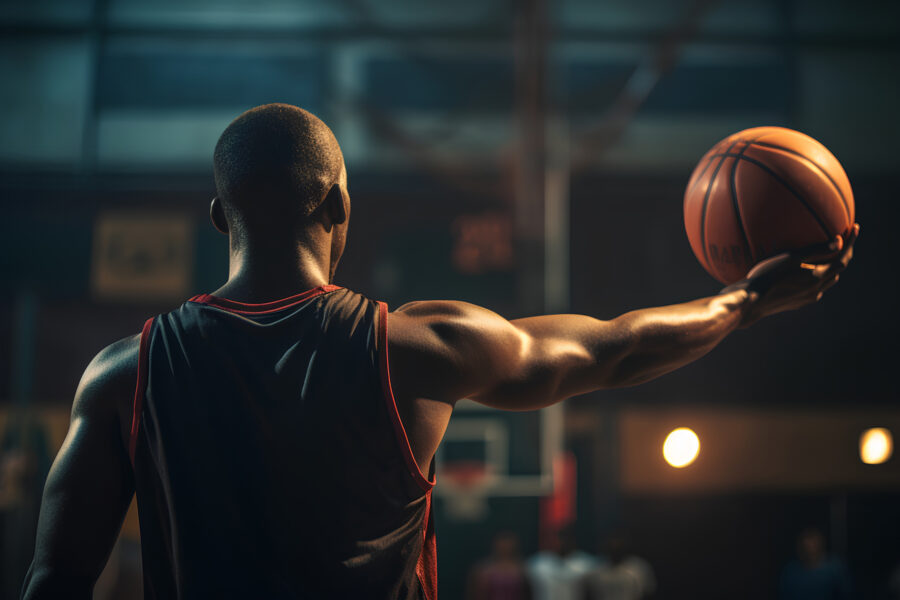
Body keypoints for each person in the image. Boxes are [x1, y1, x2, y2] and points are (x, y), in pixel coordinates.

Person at [20, 103, 857, 599]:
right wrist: (744, 300)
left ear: (217, 216)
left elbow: (53, 585)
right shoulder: (411, 348)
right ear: (340, 202)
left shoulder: (124, 375)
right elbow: (613, 351)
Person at [527, 526, 598, 600]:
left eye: (566, 538)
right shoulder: (538, 564)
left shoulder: (585, 564)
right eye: (558, 538)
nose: (562, 542)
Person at [779, 528, 852, 600]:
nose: (809, 552)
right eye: (805, 548)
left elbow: (848, 594)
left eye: (813, 547)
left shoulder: (835, 568)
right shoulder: (790, 571)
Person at [581, 535, 655, 600]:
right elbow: (589, 593)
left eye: (618, 547)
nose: (615, 548)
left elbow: (648, 592)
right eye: (612, 546)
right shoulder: (597, 569)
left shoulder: (637, 568)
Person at [466, 531, 533, 600]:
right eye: (502, 544)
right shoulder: (483, 569)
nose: (505, 547)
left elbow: (526, 593)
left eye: (508, 544)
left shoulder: (522, 568)